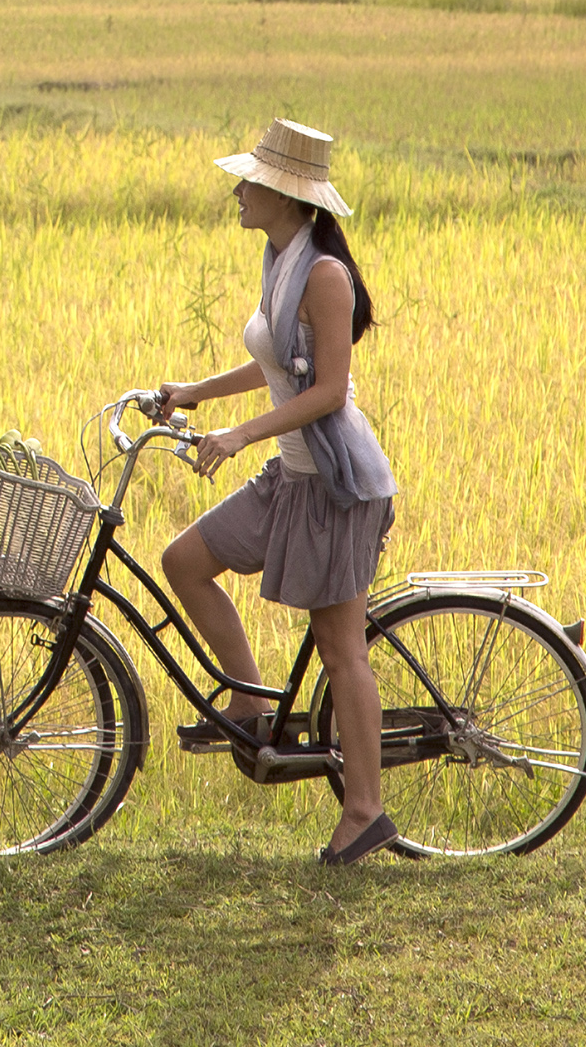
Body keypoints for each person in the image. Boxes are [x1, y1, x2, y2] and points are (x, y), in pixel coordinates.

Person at [147, 118, 404, 866]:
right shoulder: (279, 255)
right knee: (185, 560)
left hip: (331, 486)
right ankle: (252, 703)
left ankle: (365, 810)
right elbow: (275, 364)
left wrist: (238, 435)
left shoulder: (324, 275)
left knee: (339, 645)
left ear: (286, 197)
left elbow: (327, 391)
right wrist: (197, 392)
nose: (237, 192)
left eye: (249, 183)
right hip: (286, 478)